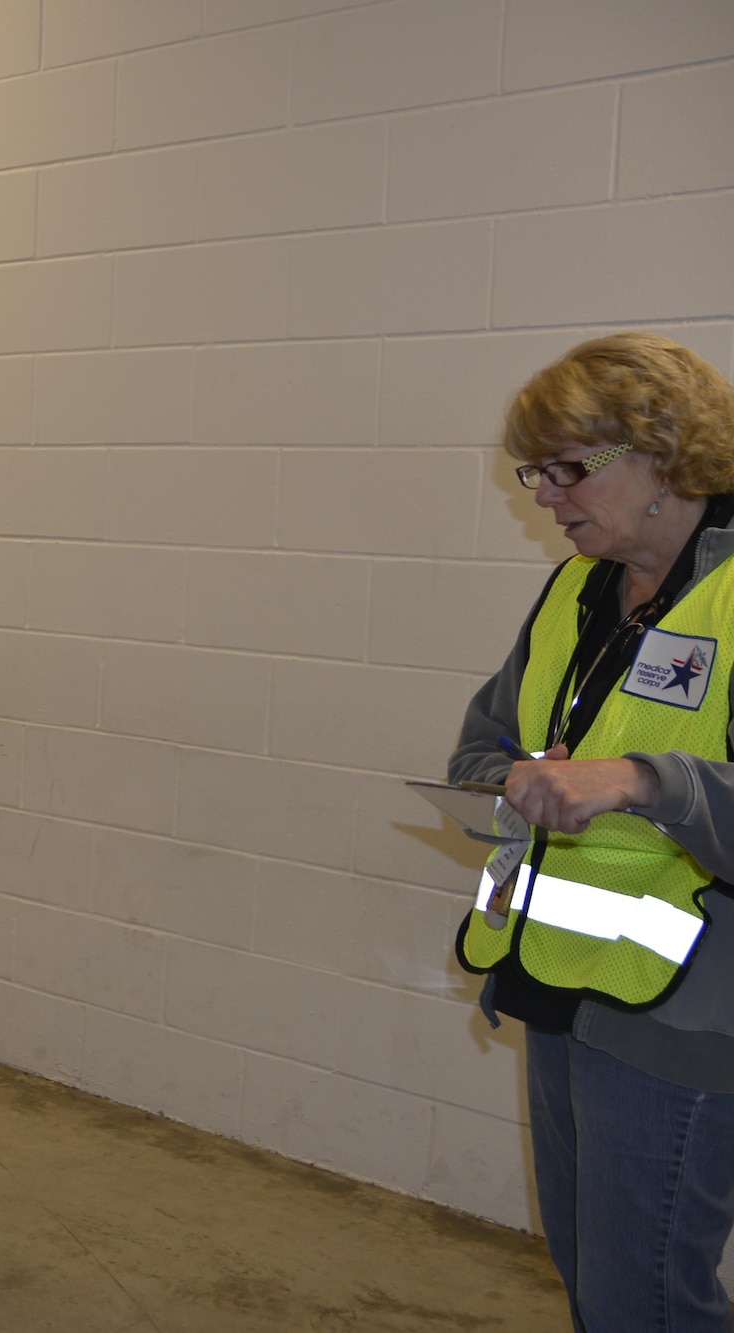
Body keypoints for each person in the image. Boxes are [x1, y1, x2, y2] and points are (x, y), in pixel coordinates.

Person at [449, 333, 734, 1332]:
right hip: (558, 980)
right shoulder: (577, 587)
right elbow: (482, 744)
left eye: (566, 468)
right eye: (533, 471)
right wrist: (513, 779)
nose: (543, 494)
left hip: (683, 1012)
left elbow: (656, 775)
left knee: (645, 1302)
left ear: (660, 450)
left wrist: (642, 780)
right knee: (592, 1282)